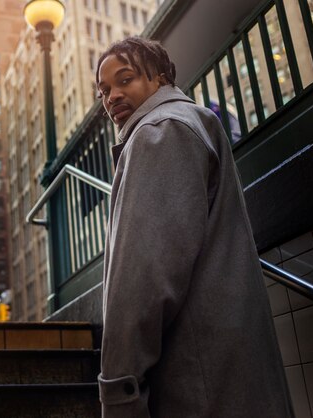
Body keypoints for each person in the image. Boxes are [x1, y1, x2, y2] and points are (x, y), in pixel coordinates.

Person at [94, 37, 293, 417]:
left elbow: (141, 280)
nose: (112, 96)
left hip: (199, 391)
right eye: (104, 90)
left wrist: (119, 393)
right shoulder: (192, 123)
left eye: (125, 79)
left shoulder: (160, 132)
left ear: (162, 78)